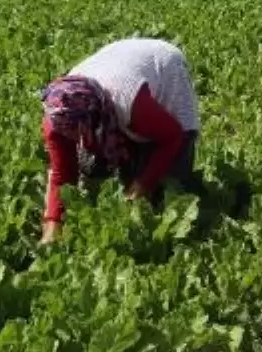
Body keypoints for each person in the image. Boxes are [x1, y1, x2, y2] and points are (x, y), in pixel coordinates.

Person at [39, 37, 202, 243]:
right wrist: (52, 225)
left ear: (95, 119)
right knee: (92, 164)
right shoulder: (57, 115)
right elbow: (62, 174)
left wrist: (142, 185)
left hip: (162, 62)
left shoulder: (129, 102)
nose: (70, 139)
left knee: (170, 183)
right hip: (117, 61)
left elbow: (173, 136)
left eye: (77, 133)